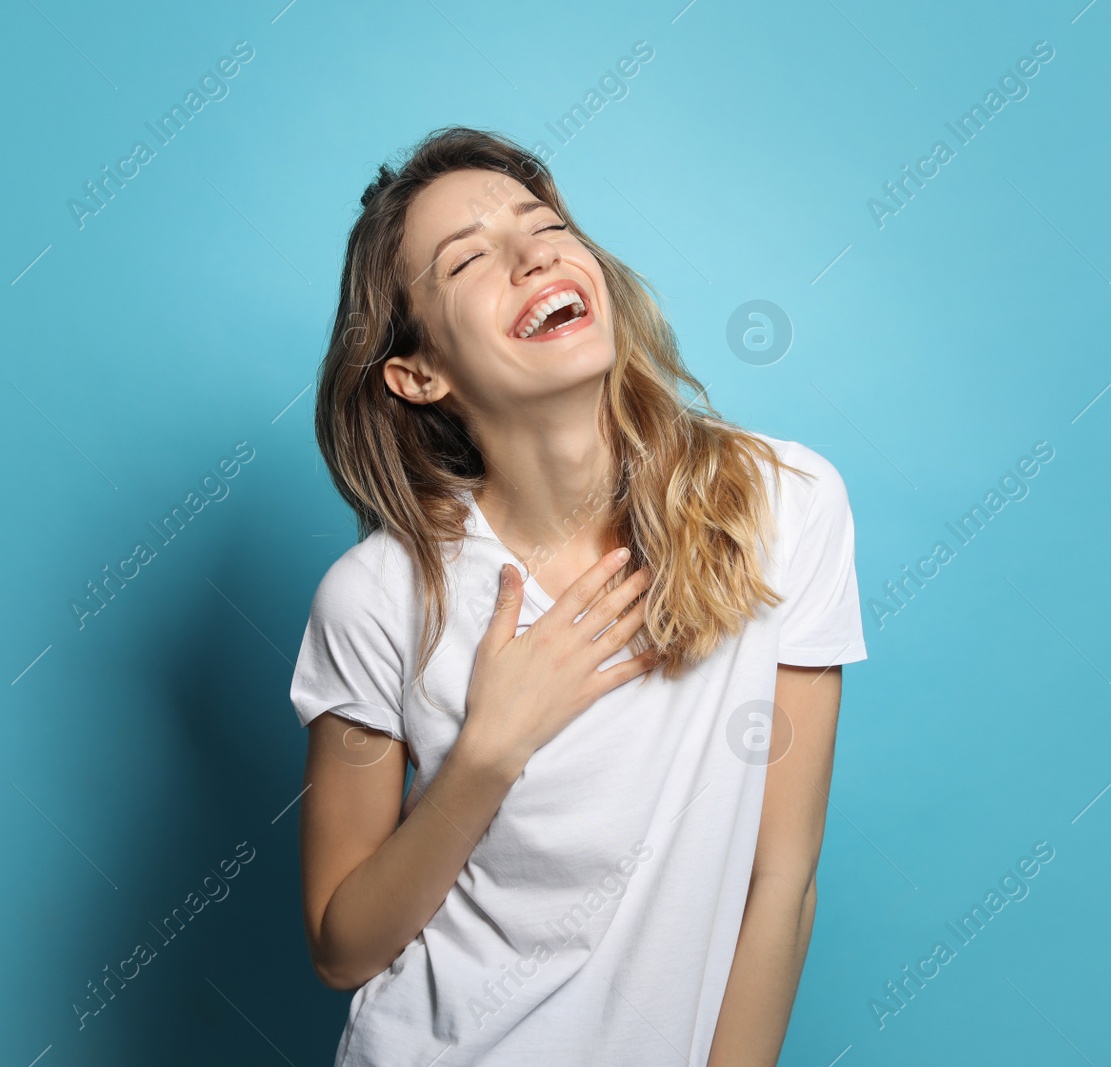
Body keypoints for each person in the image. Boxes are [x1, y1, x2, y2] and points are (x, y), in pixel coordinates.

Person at [290, 126, 867, 1066]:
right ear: (418, 371)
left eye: (545, 224)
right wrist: (489, 751)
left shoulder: (785, 504)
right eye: (469, 259)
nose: (534, 254)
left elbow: (781, 877)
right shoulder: (377, 595)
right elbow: (341, 947)